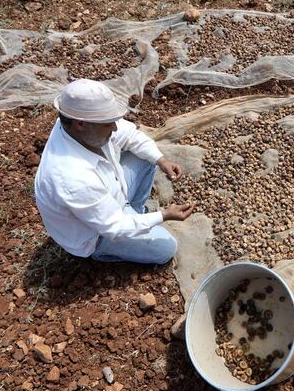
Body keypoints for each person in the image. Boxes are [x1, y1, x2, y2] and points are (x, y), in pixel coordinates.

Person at [34, 79, 194, 264]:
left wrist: (161, 160)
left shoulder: (80, 126)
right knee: (167, 248)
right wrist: (164, 215)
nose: (115, 127)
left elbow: (130, 135)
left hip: (110, 200)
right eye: (108, 123)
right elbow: (115, 227)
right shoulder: (71, 177)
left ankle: (135, 213)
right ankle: (104, 252)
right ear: (80, 124)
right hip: (96, 235)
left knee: (147, 157)